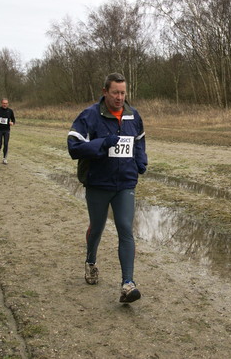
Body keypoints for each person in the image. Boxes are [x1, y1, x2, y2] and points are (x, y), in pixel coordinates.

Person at [67, 73, 148, 303]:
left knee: (125, 229)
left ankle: (127, 284)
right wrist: (102, 143)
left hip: (125, 183)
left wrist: (141, 160)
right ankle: (91, 261)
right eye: (115, 93)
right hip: (98, 183)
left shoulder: (133, 116)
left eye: (123, 93)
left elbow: (139, 140)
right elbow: (73, 147)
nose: (120, 97)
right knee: (98, 227)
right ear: (105, 92)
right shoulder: (90, 116)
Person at [0, 98, 15, 165]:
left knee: (6, 144)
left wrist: (12, 122)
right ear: (1, 103)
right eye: (4, 103)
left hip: (6, 129)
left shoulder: (10, 111)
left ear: (8, 104)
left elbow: (13, 119)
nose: (5, 105)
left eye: (6, 103)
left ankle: (4, 158)